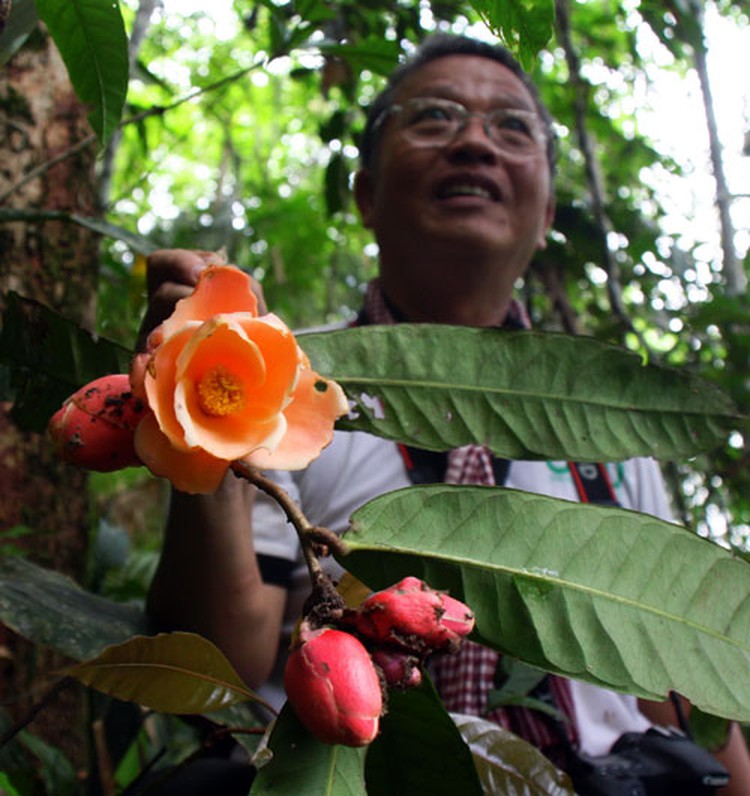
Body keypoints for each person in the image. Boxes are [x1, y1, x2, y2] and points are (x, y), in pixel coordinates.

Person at [140, 33, 750, 793]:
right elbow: (225, 661)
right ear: (365, 192)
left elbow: (673, 676)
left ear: (548, 207)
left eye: (512, 127)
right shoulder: (285, 381)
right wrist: (199, 421)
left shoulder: (610, 435)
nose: (473, 143)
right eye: (433, 117)